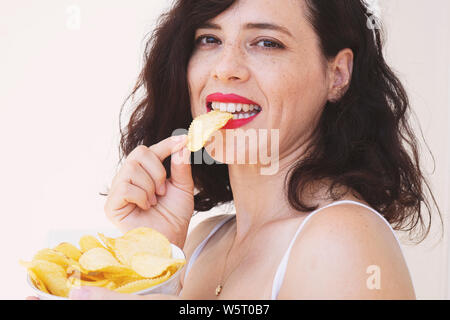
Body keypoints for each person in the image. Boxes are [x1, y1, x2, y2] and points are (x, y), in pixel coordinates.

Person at [30, 0, 441, 300]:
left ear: (337, 74)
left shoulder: (340, 241)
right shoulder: (202, 241)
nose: (225, 67)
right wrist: (153, 259)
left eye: (266, 43)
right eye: (209, 38)